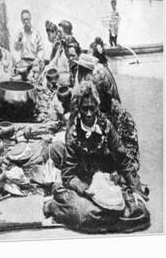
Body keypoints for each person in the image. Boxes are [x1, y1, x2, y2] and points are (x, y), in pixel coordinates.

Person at [43, 81, 149, 233]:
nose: (88, 114)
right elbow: (68, 175)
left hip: (106, 180)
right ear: (78, 108)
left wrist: (135, 188)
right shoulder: (73, 133)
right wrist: (83, 188)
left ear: (97, 107)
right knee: (89, 215)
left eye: (92, 108)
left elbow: (123, 159)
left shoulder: (106, 127)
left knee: (140, 213)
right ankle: (54, 205)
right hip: (84, 180)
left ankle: (107, 216)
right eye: (84, 109)